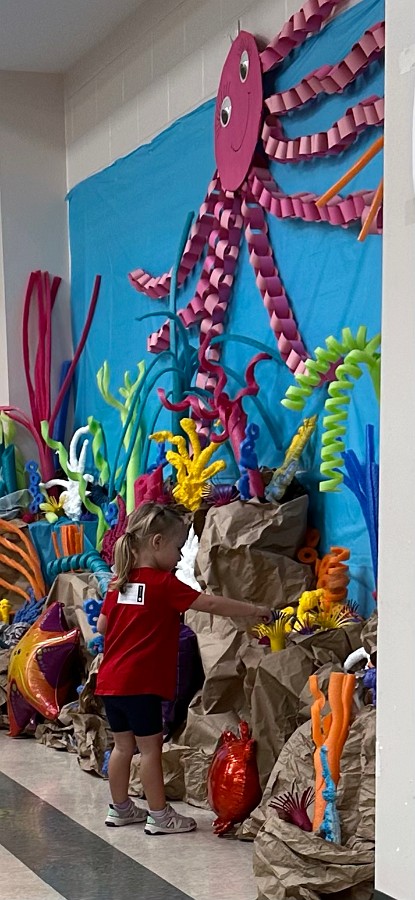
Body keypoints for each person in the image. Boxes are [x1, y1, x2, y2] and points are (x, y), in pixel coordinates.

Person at [95, 502, 273, 836]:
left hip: (110, 682)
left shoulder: (120, 583)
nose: (179, 557)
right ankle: (160, 815)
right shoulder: (163, 584)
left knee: (122, 747)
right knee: (150, 750)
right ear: (157, 542)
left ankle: (120, 809)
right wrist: (254, 609)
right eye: (178, 548)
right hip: (141, 684)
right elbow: (210, 603)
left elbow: (103, 626)